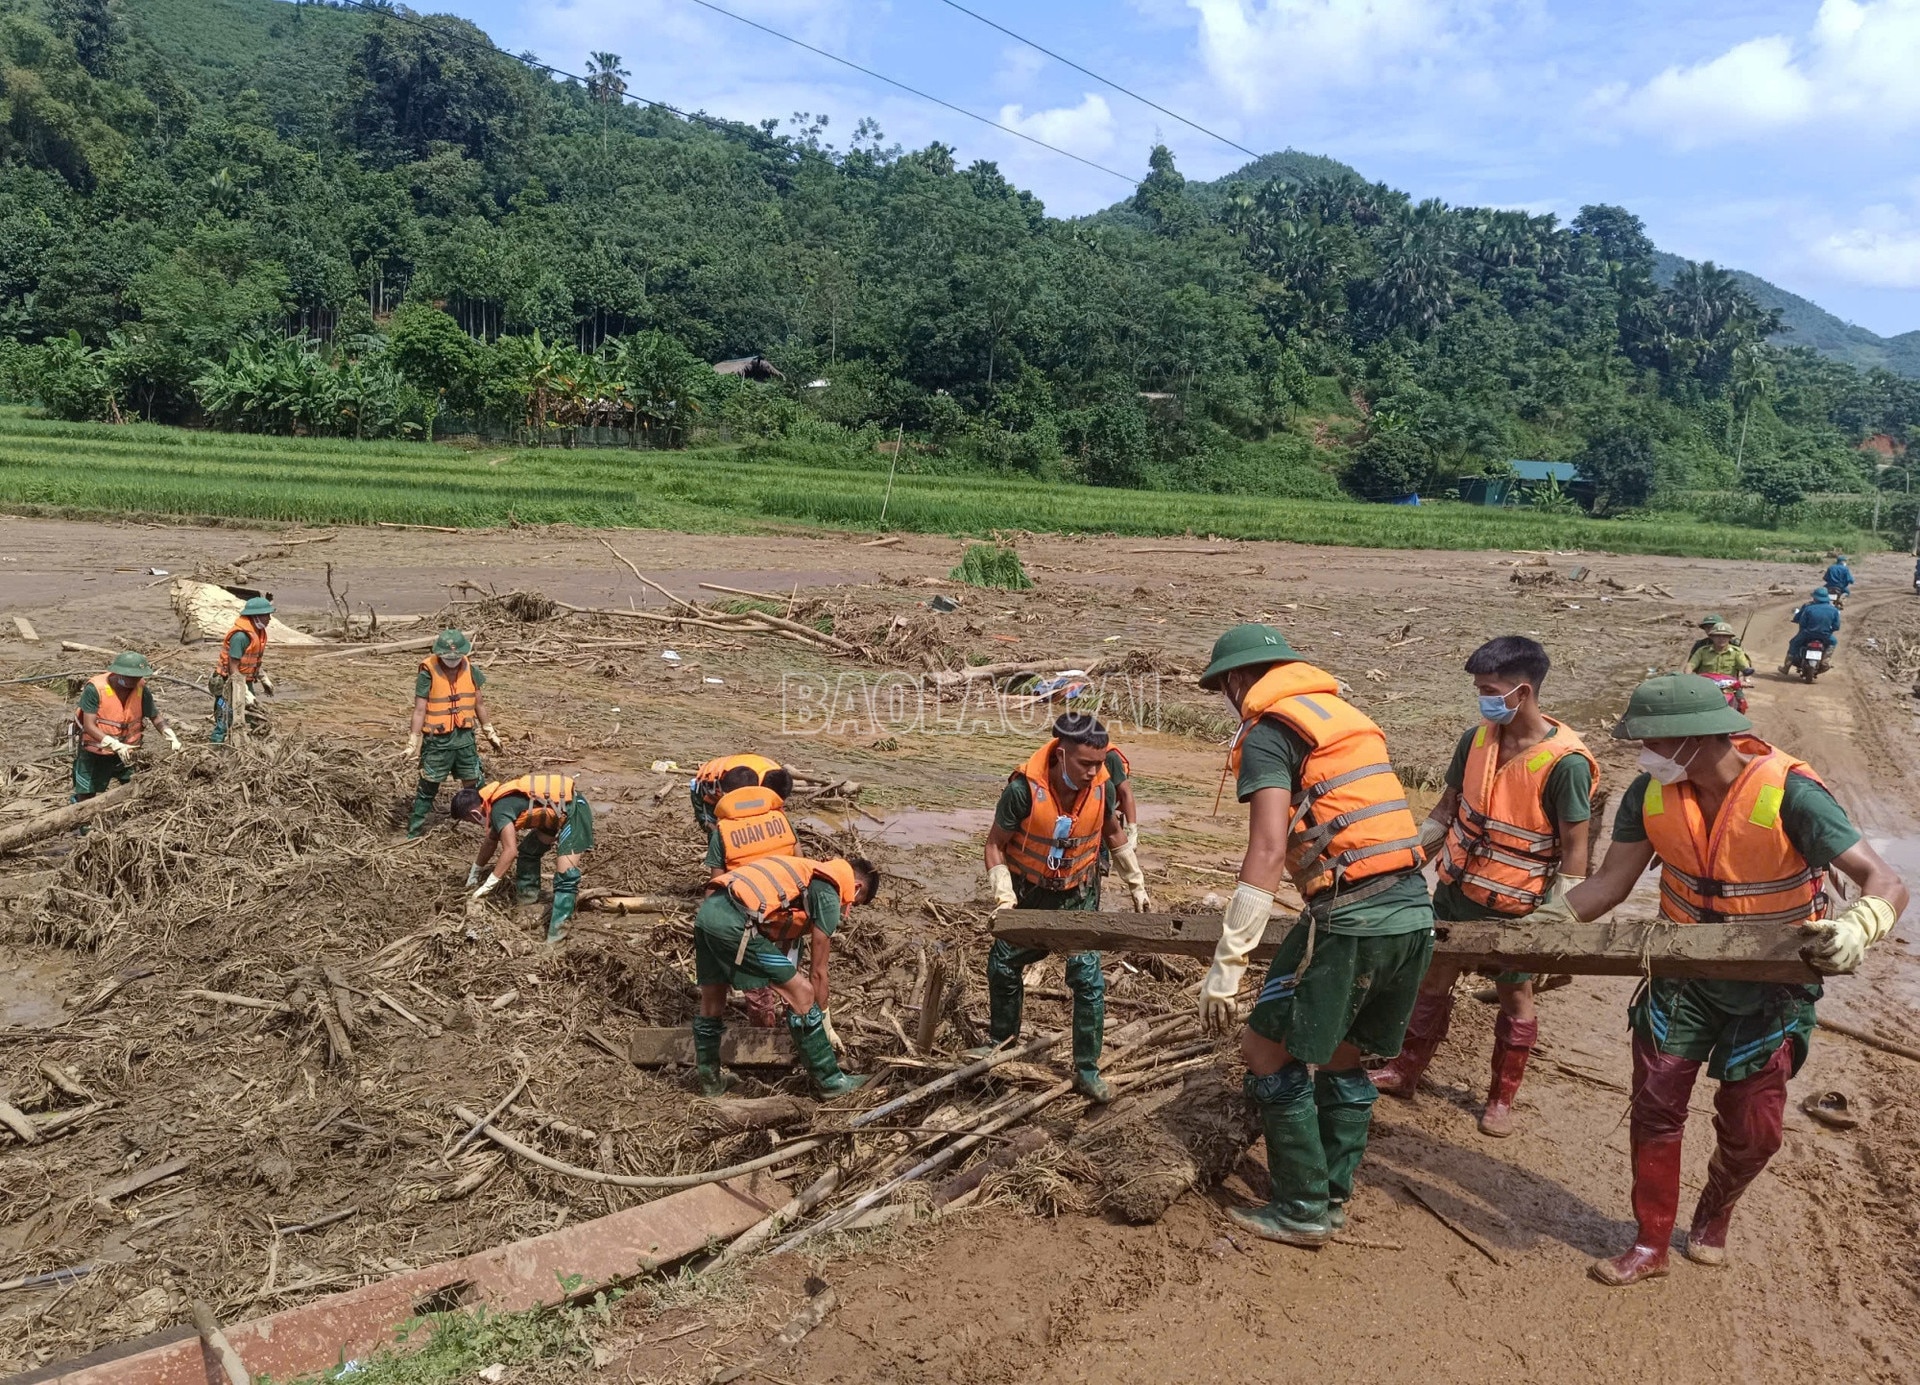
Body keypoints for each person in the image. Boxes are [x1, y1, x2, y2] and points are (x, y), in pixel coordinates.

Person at [1566, 675, 1907, 1286]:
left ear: (1695, 740)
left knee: (1755, 1131)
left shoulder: (1793, 795)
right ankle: (1649, 1243)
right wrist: (1540, 927)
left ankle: (1716, 1209)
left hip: (1770, 985)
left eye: (1650, 743)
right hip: (1680, 975)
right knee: (1656, 1105)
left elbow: (1884, 881)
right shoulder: (1650, 793)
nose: (1642, 755)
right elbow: (1608, 886)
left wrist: (1862, 924)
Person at [1196, 624, 1435, 1246]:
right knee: (1343, 1059)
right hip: (1413, 912)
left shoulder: (1271, 733)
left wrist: (1229, 962)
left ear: (1239, 681)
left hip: (1349, 921)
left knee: (1263, 1053)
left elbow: (1270, 849)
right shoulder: (1342, 716)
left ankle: (1300, 1208)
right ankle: (1330, 1199)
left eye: (1225, 688)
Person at [1370, 637, 1595, 1137]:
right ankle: (1405, 1070)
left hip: (1517, 904)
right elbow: (1446, 809)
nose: (1484, 698)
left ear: (1524, 690)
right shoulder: (1475, 741)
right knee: (1432, 979)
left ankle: (1500, 1099)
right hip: (1456, 891)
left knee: (1515, 994)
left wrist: (1560, 922)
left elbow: (1575, 849)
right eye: (1479, 689)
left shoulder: (1566, 763)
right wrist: (1405, 859)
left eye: (1490, 689)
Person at [978, 712, 1129, 1103]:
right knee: (1004, 963)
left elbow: (1113, 833)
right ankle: (1002, 1044)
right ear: (1061, 755)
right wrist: (1004, 895)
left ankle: (1086, 1069)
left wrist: (1136, 881)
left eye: (1099, 764)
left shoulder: (1102, 786)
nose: (1092, 772)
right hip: (1030, 892)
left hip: (1078, 893)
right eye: (1085, 763)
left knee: (1088, 978)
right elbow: (994, 844)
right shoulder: (1022, 791)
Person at [692, 854, 880, 1096]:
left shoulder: (807, 872)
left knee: (712, 1001)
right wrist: (824, 1022)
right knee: (803, 992)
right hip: (734, 923)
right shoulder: (830, 887)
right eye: (855, 902)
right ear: (856, 887)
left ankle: (711, 1083)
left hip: (709, 912)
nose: (848, 910)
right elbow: (819, 972)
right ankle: (832, 1083)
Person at [453, 772, 595, 941]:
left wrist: (487, 886)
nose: (475, 824)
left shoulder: (499, 809)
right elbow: (490, 841)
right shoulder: (495, 804)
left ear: (475, 815)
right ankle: (528, 902)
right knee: (528, 852)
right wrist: (474, 873)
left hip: (574, 812)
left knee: (565, 877)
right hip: (554, 815)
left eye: (471, 822)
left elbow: (510, 851)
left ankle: (556, 939)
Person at [405, 630, 502, 837]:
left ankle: (486, 825)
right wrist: (413, 740)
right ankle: (415, 830)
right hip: (437, 741)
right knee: (428, 785)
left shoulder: (470, 669)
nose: (452, 661)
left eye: (456, 657)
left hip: (464, 738)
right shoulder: (427, 672)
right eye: (447, 657)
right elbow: (419, 709)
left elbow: (480, 704)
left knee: (475, 782)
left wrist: (489, 731)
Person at [72, 651, 181, 801]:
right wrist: (114, 744)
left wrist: (169, 735)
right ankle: (81, 820)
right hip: (96, 751)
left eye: (137, 678)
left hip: (128, 751)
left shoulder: (141, 689)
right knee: (86, 792)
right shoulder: (95, 689)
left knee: (134, 788)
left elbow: (155, 716)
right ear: (117, 674)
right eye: (130, 677)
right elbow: (89, 725)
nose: (133, 682)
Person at [211, 596, 274, 744]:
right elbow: (233, 667)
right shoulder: (240, 636)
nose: (269, 619)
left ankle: (248, 745)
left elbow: (252, 660)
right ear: (256, 616)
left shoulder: (257, 632)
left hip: (245, 680)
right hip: (229, 683)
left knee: (251, 715)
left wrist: (264, 679)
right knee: (225, 717)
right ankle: (216, 749)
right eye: (266, 615)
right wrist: (244, 692)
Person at [1101, 745, 1153, 911]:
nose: (1089, 771)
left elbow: (1125, 793)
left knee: (1096, 869)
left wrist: (1132, 830)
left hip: (1100, 827)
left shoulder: (1109, 759)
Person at [689, 754, 785, 835]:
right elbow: (740, 807)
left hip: (731, 774)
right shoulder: (751, 786)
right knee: (714, 826)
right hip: (708, 781)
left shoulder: (777, 776)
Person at [1784, 588, 1841, 672]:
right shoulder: (1834, 610)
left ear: (1815, 597)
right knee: (1833, 642)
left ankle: (1787, 666)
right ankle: (1825, 662)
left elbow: (1802, 623)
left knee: (1794, 643)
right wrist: (1830, 630)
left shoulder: (1808, 608)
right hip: (1825, 635)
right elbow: (1836, 626)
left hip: (1807, 634)